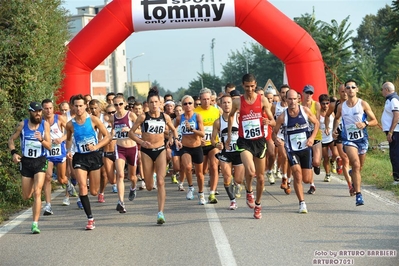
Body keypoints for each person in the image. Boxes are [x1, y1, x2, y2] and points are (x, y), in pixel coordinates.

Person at [129, 87, 181, 224]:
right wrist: (141, 142)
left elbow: (173, 129)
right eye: (151, 102)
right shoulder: (143, 117)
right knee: (149, 186)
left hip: (160, 150)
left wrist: (173, 139)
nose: (153, 104)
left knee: (161, 181)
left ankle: (160, 213)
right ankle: (149, 178)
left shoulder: (165, 116)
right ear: (148, 104)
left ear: (159, 103)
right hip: (146, 152)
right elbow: (131, 133)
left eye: (156, 102)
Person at [226, 74, 275, 219]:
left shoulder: (263, 100)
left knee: (260, 178)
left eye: (252, 86)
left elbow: (273, 121)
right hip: (244, 141)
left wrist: (268, 122)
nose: (250, 89)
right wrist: (229, 134)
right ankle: (249, 192)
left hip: (259, 141)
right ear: (242, 86)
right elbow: (230, 116)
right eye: (247, 86)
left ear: (255, 85)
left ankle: (258, 205)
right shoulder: (237, 102)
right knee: (251, 170)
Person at [66, 94, 111, 230]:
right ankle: (90, 218)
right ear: (72, 107)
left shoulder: (93, 120)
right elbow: (68, 139)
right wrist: (69, 150)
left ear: (85, 106)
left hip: (93, 156)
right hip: (79, 157)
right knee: (82, 186)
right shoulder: (70, 124)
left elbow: (107, 136)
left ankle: (94, 199)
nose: (79, 108)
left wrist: (96, 147)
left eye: (81, 105)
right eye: (76, 106)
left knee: (93, 191)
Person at [273, 90, 320, 213]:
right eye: (290, 99)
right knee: (297, 174)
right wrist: (277, 140)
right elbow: (274, 132)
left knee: (307, 179)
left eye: (294, 99)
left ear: (298, 99)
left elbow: (316, 123)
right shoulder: (283, 116)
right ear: (286, 100)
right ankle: (302, 203)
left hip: (305, 149)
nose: (292, 101)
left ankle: (302, 177)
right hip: (291, 149)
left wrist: (311, 138)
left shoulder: (305, 111)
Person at [333, 79, 378, 206]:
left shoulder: (363, 104)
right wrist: (335, 130)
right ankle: (358, 195)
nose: (351, 89)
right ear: (345, 91)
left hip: (362, 139)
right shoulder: (341, 107)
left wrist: (365, 123)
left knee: (359, 167)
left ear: (357, 89)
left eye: (353, 87)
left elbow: (375, 121)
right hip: (348, 140)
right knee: (356, 164)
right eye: (348, 87)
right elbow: (337, 118)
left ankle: (353, 174)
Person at [8, 102, 51, 234]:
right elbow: (11, 139)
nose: (38, 114)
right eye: (35, 111)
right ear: (30, 112)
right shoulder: (23, 125)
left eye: (40, 111)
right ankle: (33, 186)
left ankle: (35, 224)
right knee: (27, 196)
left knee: (38, 192)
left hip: (40, 161)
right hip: (26, 162)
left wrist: (41, 140)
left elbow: (49, 146)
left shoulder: (45, 125)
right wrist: (14, 153)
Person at [212, 94, 244, 210]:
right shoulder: (218, 122)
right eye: (224, 103)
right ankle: (232, 201)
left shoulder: (238, 118)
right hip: (225, 152)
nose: (226, 105)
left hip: (239, 151)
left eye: (229, 102)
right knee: (226, 176)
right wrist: (216, 144)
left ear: (232, 104)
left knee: (238, 179)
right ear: (220, 104)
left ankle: (237, 184)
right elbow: (212, 139)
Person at [41, 99, 74, 212]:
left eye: (50, 108)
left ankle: (68, 184)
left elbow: (70, 132)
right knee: (48, 177)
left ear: (53, 108)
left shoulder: (59, 119)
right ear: (42, 109)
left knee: (61, 179)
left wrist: (61, 138)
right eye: (46, 108)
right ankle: (48, 205)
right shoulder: (40, 121)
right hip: (46, 153)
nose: (48, 110)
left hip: (60, 152)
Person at [109, 95, 139, 213]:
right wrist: (111, 135)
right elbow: (112, 130)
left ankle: (133, 187)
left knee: (132, 177)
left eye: (120, 104)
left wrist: (130, 130)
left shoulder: (131, 115)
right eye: (116, 105)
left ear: (125, 103)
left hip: (132, 148)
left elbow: (142, 130)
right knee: (120, 174)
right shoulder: (113, 118)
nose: (118, 107)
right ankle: (121, 202)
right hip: (120, 148)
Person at [174, 95, 206, 204]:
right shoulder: (179, 118)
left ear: (193, 105)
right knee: (187, 167)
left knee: (200, 174)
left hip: (197, 147)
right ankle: (191, 187)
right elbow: (173, 129)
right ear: (182, 106)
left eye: (190, 103)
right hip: (185, 147)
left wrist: (192, 129)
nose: (187, 105)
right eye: (185, 104)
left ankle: (201, 194)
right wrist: (174, 139)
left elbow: (202, 133)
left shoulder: (197, 116)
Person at [325, 84, 354, 195]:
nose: (345, 93)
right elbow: (327, 116)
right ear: (339, 93)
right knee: (345, 159)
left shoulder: (356, 104)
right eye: (342, 91)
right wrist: (328, 127)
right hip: (340, 135)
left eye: (346, 90)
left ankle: (353, 173)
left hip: (353, 134)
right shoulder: (334, 105)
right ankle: (350, 185)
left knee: (355, 163)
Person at [194, 88, 221, 203]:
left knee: (214, 166)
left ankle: (212, 193)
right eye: (203, 99)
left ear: (211, 99)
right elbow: (191, 130)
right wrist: (198, 139)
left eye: (208, 99)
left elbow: (223, 126)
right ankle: (201, 191)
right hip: (200, 145)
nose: (206, 101)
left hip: (213, 143)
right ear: (200, 99)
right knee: (202, 171)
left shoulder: (217, 111)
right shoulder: (195, 112)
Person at [301, 85, 322, 195]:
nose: (309, 95)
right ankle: (312, 184)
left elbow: (317, 121)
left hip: (315, 135)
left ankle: (317, 165)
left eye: (311, 93)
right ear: (302, 93)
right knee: (308, 161)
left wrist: (313, 135)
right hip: (304, 137)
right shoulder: (299, 106)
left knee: (316, 161)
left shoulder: (316, 105)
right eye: (307, 93)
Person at [271, 84, 291, 194]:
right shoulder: (275, 106)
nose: (284, 94)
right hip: (279, 135)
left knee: (290, 159)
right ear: (280, 93)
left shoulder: (293, 106)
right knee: (283, 155)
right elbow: (270, 119)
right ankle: (284, 177)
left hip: (291, 135)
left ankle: (288, 179)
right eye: (282, 92)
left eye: (286, 92)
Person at [381, 82, 399, 185]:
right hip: (393, 130)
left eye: (382, 89)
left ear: (386, 90)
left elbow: (396, 115)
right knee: (394, 153)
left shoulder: (393, 99)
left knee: (395, 154)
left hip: (395, 131)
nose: (382, 92)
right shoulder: (390, 99)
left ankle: (397, 178)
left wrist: (391, 131)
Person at [318, 94, 338, 182]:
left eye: (327, 103)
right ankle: (327, 174)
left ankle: (333, 162)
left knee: (336, 153)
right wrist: (318, 130)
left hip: (331, 136)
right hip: (322, 138)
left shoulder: (332, 112)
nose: (325, 105)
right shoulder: (318, 114)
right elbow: (314, 124)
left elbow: (337, 121)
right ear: (320, 104)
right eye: (323, 103)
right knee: (325, 157)